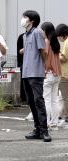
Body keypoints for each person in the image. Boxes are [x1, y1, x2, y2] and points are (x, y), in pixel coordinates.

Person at [21, 10, 51, 142]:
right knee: (31, 101)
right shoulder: (24, 36)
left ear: (31, 20)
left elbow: (43, 51)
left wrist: (44, 67)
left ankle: (44, 131)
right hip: (26, 73)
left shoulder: (37, 32)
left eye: (25, 17)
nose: (23, 19)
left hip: (36, 72)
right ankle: (37, 129)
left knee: (38, 100)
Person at [40, 22, 61, 130]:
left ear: (46, 31)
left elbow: (46, 58)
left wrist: (45, 70)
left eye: (42, 30)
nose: (41, 32)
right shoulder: (56, 42)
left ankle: (46, 123)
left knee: (46, 99)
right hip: (57, 74)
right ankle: (54, 123)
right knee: (54, 100)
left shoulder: (46, 42)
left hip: (49, 73)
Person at [55, 23, 68, 128]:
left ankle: (67, 118)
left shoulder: (67, 42)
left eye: (58, 36)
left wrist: (56, 55)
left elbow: (64, 58)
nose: (58, 38)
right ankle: (61, 116)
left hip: (65, 74)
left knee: (65, 98)